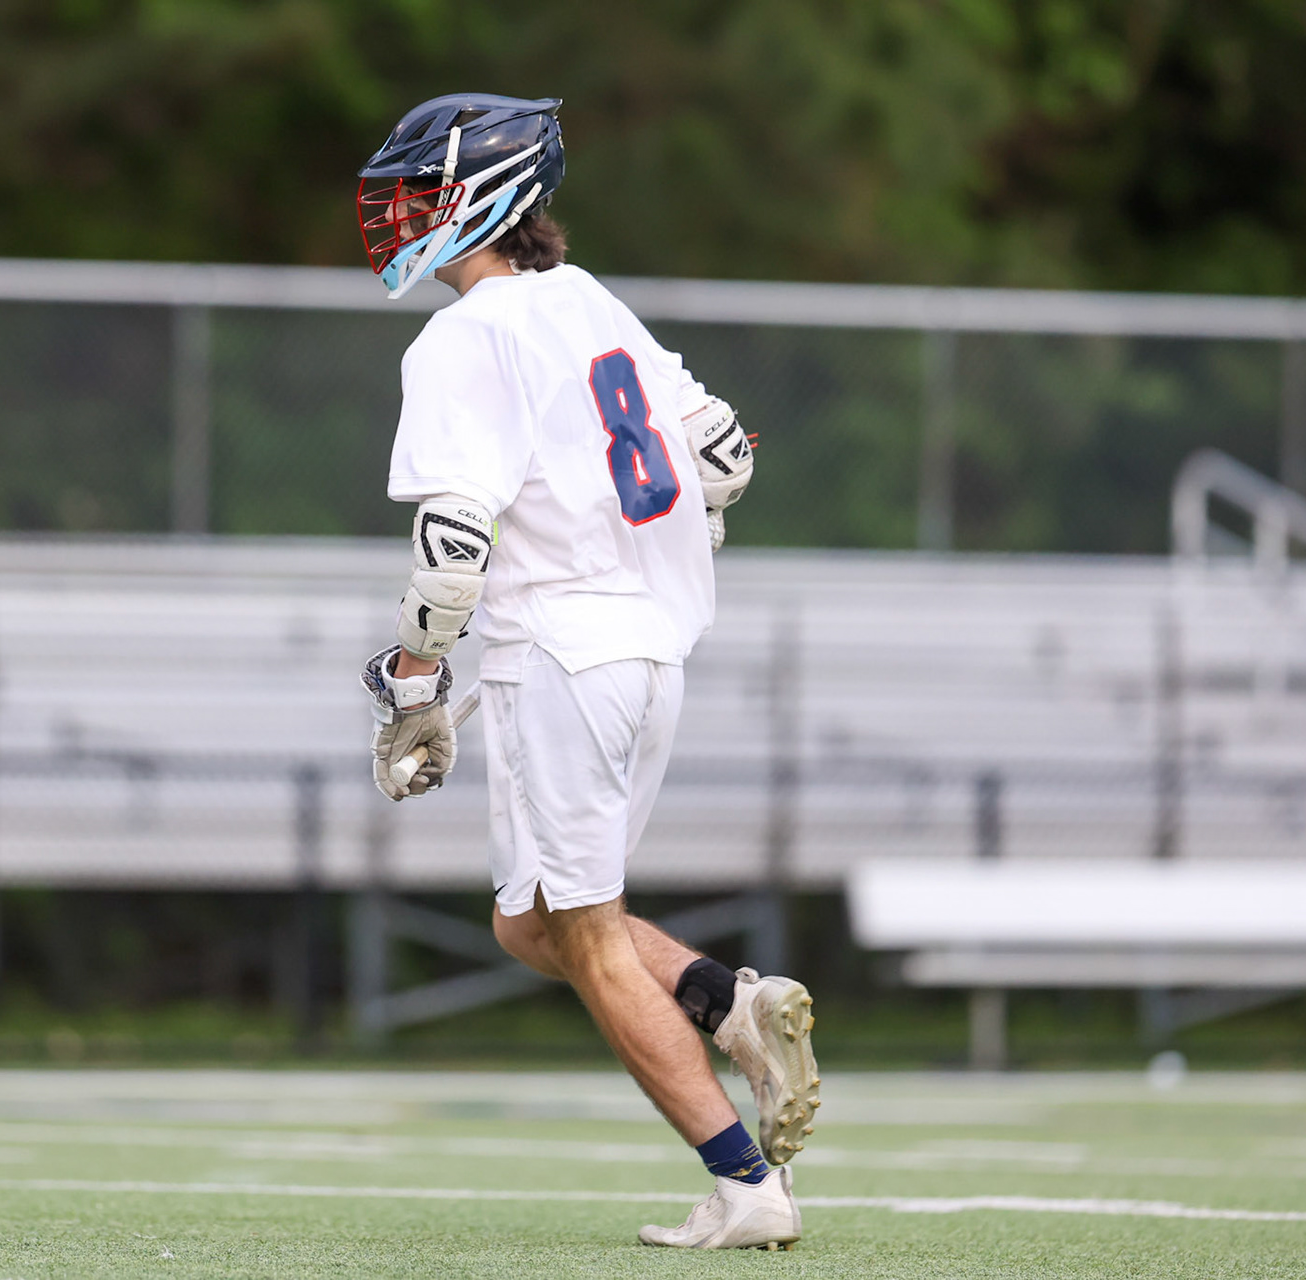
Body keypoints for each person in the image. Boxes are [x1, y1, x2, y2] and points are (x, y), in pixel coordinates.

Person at [355, 94, 819, 1251]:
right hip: (651, 646)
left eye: (422, 188)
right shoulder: (588, 298)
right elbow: (720, 456)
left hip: (557, 655)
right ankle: (728, 1001)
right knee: (534, 921)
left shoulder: (464, 336)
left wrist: (416, 681)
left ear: (489, 196)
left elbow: (454, 540)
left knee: (590, 932)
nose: (402, 212)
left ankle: (748, 1183)